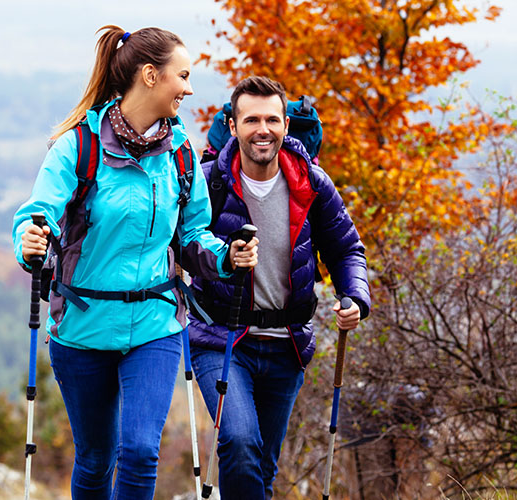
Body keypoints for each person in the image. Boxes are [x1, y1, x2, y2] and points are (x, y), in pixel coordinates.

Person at [13, 25, 258, 500]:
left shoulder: (181, 153)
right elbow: (38, 214)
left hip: (155, 323)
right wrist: (30, 241)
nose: (189, 88)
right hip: (83, 327)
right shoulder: (78, 147)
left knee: (141, 450)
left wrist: (226, 257)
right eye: (182, 76)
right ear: (150, 75)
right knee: (96, 458)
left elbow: (191, 235)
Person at [187, 76, 371, 499]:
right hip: (222, 338)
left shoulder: (312, 183)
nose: (263, 129)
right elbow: (183, 244)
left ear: (287, 125)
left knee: (263, 467)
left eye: (272, 119)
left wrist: (355, 296)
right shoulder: (210, 182)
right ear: (232, 127)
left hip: (287, 343)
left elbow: (346, 250)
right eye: (251, 120)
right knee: (239, 443)